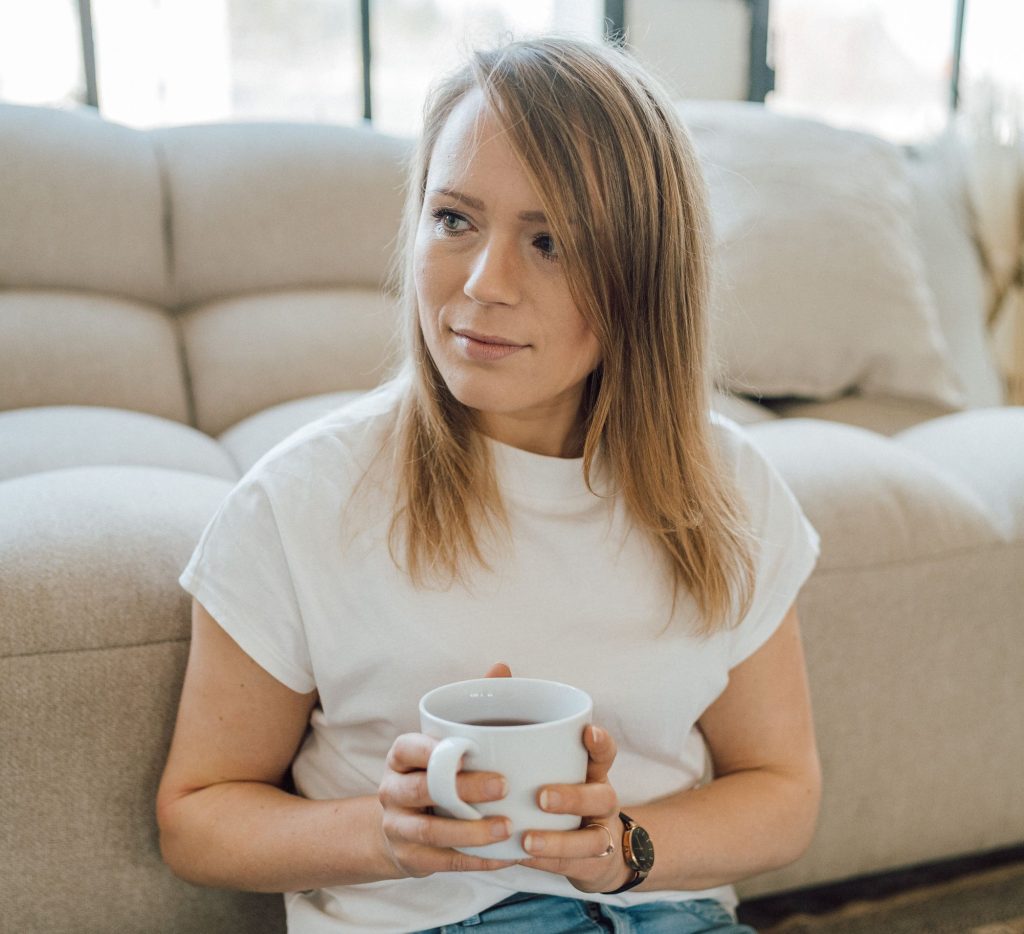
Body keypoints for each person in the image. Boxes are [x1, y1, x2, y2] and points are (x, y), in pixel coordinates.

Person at [156, 36, 822, 934]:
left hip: (665, 914)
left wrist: (625, 846)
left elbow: (782, 791)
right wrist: (382, 836)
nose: (483, 283)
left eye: (550, 242)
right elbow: (196, 816)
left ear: (644, 276)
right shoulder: (302, 501)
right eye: (455, 220)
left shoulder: (728, 489)